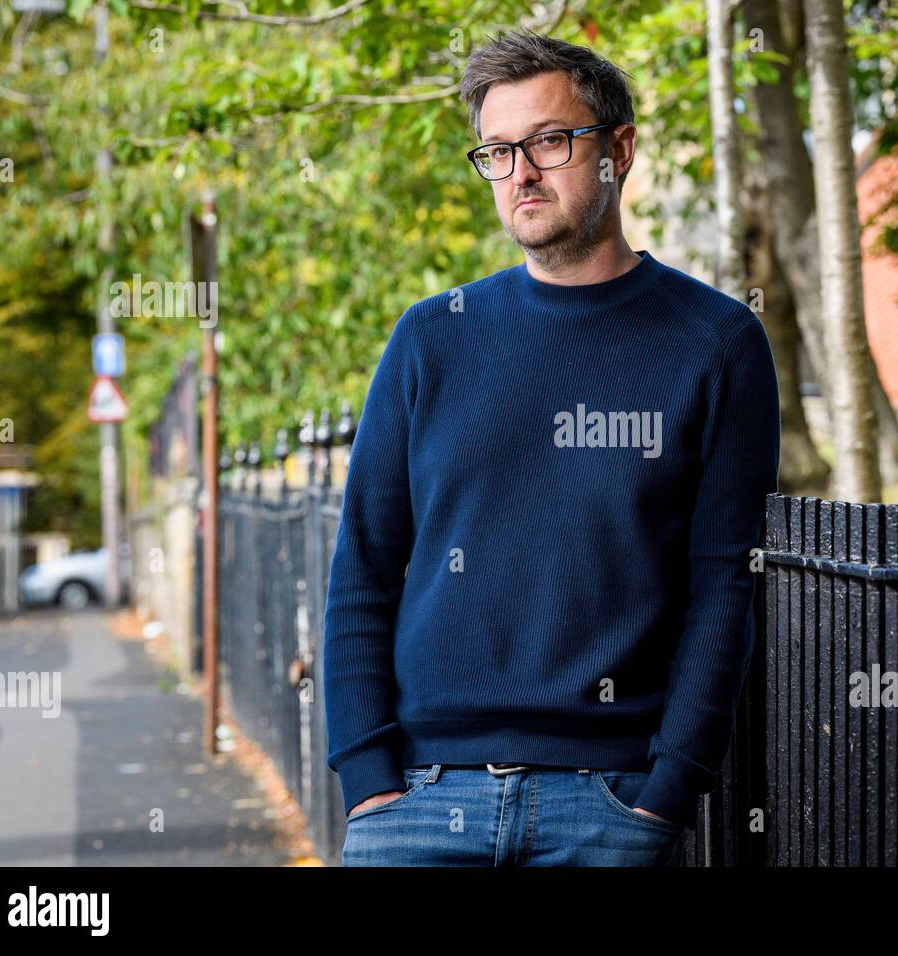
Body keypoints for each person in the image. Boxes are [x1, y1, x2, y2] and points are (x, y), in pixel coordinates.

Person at [325, 29, 780, 867]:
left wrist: (665, 791)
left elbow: (726, 586)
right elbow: (362, 568)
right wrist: (369, 781)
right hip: (418, 804)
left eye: (549, 140)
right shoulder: (432, 339)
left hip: (606, 806)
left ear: (620, 149)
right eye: (497, 152)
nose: (522, 174)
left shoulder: (716, 343)